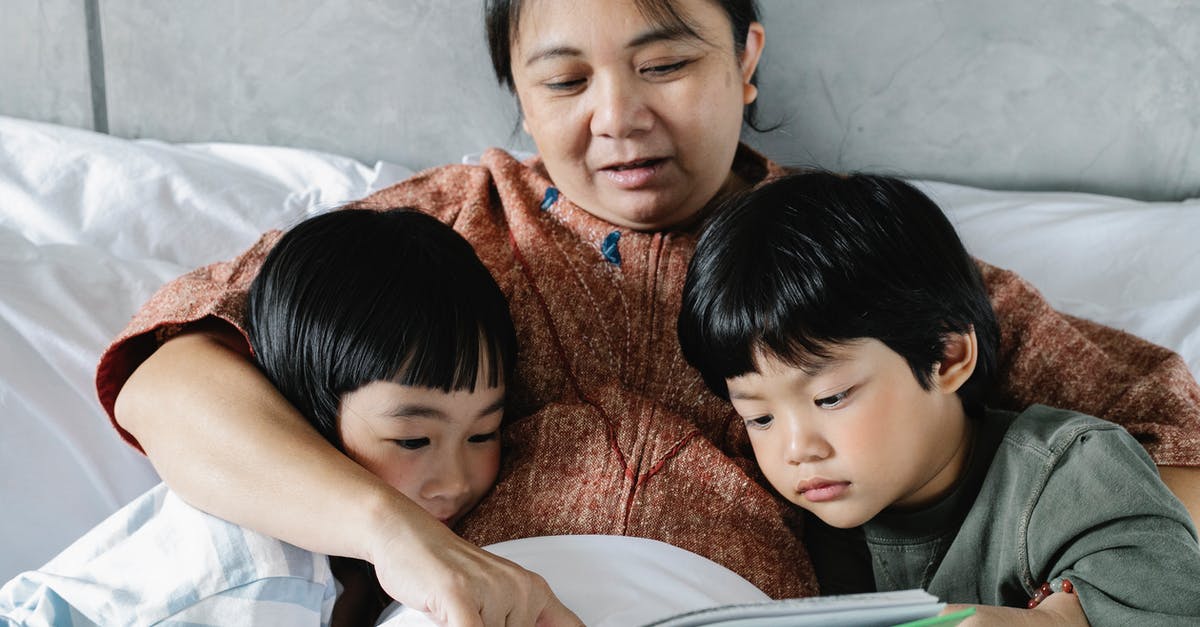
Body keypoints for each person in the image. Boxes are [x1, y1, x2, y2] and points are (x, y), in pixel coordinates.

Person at [94, 0, 1200, 623]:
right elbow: (174, 375)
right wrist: (400, 540)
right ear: (519, 93)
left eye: (665, 63)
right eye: (566, 83)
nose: (619, 120)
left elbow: (1170, 435)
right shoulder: (437, 228)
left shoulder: (847, 262)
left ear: (747, 59)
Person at [676, 171, 1200, 625]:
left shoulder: (1072, 473)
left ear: (947, 357)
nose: (796, 448)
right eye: (760, 416)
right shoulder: (794, 531)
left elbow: (1167, 599)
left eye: (831, 398)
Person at [1, 208, 543, 626]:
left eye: (482, 433)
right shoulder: (260, 571)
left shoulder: (352, 572)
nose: (453, 481)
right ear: (305, 405)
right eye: (411, 439)